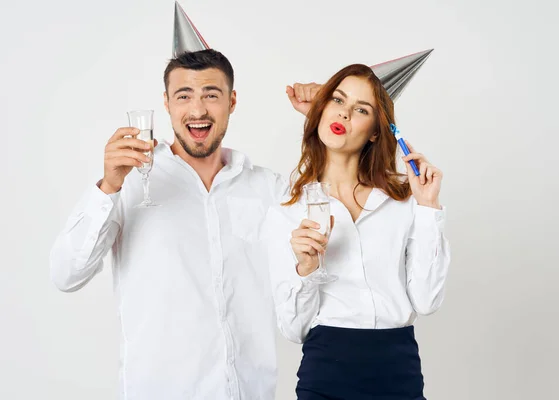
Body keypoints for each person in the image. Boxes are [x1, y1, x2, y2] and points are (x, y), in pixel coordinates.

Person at [49, 4, 287, 399]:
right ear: (166, 103)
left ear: (232, 101)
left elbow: (328, 244)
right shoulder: (128, 180)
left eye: (211, 94)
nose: (197, 109)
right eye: (184, 95)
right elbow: (65, 274)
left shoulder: (266, 188)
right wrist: (107, 186)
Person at [262, 63, 451, 399]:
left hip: (398, 370)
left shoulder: (404, 201)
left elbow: (426, 301)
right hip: (326, 372)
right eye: (337, 100)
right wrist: (306, 269)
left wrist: (427, 209)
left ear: (376, 131)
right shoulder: (288, 213)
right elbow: (293, 329)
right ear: (320, 112)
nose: (345, 114)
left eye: (360, 109)